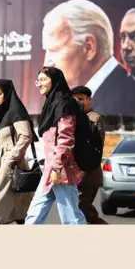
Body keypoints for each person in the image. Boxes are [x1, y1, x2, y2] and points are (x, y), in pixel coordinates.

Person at [41, 0, 135, 117]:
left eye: (54, 50)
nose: (47, 63)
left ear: (89, 47)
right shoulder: (108, 93)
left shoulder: (129, 103)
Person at [25, 67, 87, 225]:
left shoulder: (64, 104)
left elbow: (66, 139)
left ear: (55, 80)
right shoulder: (51, 104)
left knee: (71, 218)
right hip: (49, 169)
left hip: (62, 171)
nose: (39, 84)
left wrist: (57, 168)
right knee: (34, 213)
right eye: (38, 80)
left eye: (43, 79)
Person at [0, 79, 38, 225]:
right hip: (3, 163)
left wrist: (10, 157)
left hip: (11, 163)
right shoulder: (2, 114)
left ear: (7, 93)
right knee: (21, 205)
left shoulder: (15, 111)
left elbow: (26, 136)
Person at [71, 85, 108, 224]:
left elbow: (97, 148)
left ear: (89, 100)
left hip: (89, 171)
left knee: (81, 208)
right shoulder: (72, 118)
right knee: (80, 208)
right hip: (75, 171)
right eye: (75, 100)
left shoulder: (94, 119)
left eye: (81, 99)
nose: (78, 102)